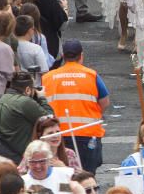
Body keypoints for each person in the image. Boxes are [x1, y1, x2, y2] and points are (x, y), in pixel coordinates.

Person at [41, 39, 110, 173]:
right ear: (81, 56)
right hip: (88, 134)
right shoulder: (91, 75)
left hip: (58, 134)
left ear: (63, 55)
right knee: (86, 175)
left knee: (62, 175)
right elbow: (105, 102)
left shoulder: (48, 77)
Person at [0, 71, 52, 162]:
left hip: (4, 152)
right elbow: (50, 119)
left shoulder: (1, 99)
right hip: (21, 156)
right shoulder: (24, 102)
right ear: (27, 90)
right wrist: (42, 98)